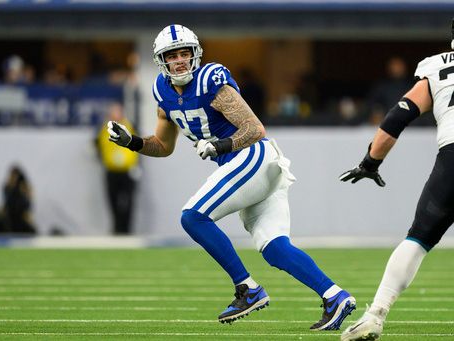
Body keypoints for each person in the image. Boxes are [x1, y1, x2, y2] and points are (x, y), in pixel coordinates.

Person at [107, 24, 355, 329]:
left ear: (196, 54)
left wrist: (219, 144)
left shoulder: (211, 80)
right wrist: (131, 142)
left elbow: (254, 129)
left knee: (193, 217)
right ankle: (335, 296)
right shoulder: (162, 91)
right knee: (275, 248)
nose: (181, 60)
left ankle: (247, 288)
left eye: (186, 53)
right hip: (251, 167)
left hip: (252, 157)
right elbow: (163, 146)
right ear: (162, 60)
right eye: (173, 55)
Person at [339, 24, 454, 341]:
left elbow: (398, 115)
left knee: (417, 239)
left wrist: (371, 162)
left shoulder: (438, 65)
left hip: (452, 159)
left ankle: (375, 315)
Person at [97, 102, 139, 235]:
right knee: (112, 200)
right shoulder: (104, 128)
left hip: (128, 171)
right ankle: (117, 227)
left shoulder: (130, 126)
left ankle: (127, 228)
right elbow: (98, 145)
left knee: (128, 201)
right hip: (112, 171)